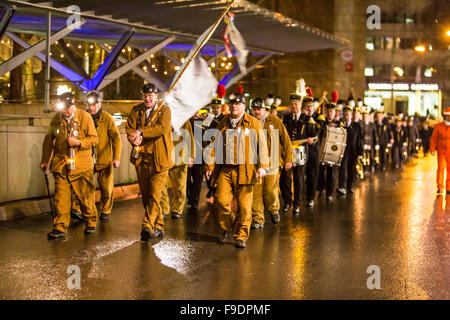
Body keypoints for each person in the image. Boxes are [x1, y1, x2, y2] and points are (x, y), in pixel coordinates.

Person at [205, 92, 268, 249]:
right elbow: (212, 146)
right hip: (225, 170)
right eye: (232, 104)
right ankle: (229, 225)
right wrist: (210, 166)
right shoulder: (223, 123)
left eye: (238, 104)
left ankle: (241, 236)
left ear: (244, 107)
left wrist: (263, 166)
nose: (235, 106)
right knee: (220, 202)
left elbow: (263, 146)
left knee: (245, 207)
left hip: (246, 171)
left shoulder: (253, 123)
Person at [41, 92, 98, 239]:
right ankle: (60, 226)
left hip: (81, 167)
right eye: (62, 108)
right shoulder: (56, 119)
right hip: (61, 165)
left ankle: (90, 221)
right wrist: (45, 160)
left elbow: (94, 139)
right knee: (60, 198)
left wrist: (79, 143)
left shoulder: (85, 117)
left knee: (85, 198)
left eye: (67, 108)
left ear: (74, 105)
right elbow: (49, 140)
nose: (64, 111)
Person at [125, 83, 174, 241]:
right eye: (145, 95)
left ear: (156, 96)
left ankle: (147, 225)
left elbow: (161, 128)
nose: (148, 98)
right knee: (146, 197)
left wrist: (140, 132)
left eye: (151, 95)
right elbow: (129, 129)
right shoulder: (136, 110)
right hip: (141, 159)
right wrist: (133, 137)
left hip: (159, 160)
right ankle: (158, 226)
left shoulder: (164, 110)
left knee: (154, 195)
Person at [71, 91, 122, 221]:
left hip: (104, 159)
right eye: (90, 104)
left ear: (100, 104)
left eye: (95, 105)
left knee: (107, 188)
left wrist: (116, 158)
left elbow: (116, 139)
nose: (92, 108)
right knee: (84, 187)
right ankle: (78, 209)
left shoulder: (107, 118)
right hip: (87, 159)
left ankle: (105, 210)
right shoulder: (82, 118)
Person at [250, 98, 293, 228]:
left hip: (273, 161)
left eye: (259, 109)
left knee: (270, 190)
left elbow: (286, 140)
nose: (257, 112)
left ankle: (274, 210)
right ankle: (258, 218)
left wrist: (288, 159)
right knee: (256, 192)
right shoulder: (249, 123)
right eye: (254, 109)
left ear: (264, 109)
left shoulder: (275, 121)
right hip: (255, 163)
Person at [280, 93, 315, 214]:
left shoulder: (306, 119)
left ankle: (297, 204)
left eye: (296, 104)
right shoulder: (286, 118)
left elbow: (313, 136)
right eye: (292, 104)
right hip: (288, 152)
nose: (294, 106)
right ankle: (287, 201)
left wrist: (311, 141)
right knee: (285, 178)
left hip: (301, 153)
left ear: (300, 105)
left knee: (298, 179)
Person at [160, 120, 195, 219]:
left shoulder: (184, 121)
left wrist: (191, 156)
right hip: (164, 157)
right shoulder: (162, 117)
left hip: (180, 158)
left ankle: (177, 209)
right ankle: (163, 208)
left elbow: (190, 138)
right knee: (162, 185)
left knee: (179, 186)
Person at [317, 101, 343, 202]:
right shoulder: (321, 122)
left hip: (333, 152)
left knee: (331, 173)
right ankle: (321, 189)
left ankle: (330, 193)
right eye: (328, 111)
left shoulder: (338, 124)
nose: (330, 113)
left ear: (334, 112)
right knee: (321, 172)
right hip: (322, 151)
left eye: (332, 111)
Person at [337, 105, 363, 195]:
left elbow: (360, 139)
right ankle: (342, 186)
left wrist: (360, 152)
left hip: (353, 151)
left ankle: (350, 186)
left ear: (351, 115)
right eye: (344, 115)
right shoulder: (339, 125)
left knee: (351, 169)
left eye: (347, 115)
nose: (346, 117)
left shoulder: (356, 126)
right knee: (343, 168)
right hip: (343, 151)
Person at [187, 111, 205, 209]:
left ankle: (194, 199)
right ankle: (191, 196)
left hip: (198, 155)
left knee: (198, 179)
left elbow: (204, 140)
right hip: (186, 154)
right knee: (187, 179)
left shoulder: (201, 123)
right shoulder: (185, 122)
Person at [430, 107, 450, 195]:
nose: (448, 118)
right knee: (441, 169)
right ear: (444, 116)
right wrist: (432, 149)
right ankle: (440, 187)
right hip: (441, 152)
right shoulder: (438, 126)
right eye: (447, 116)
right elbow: (434, 138)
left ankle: (449, 188)